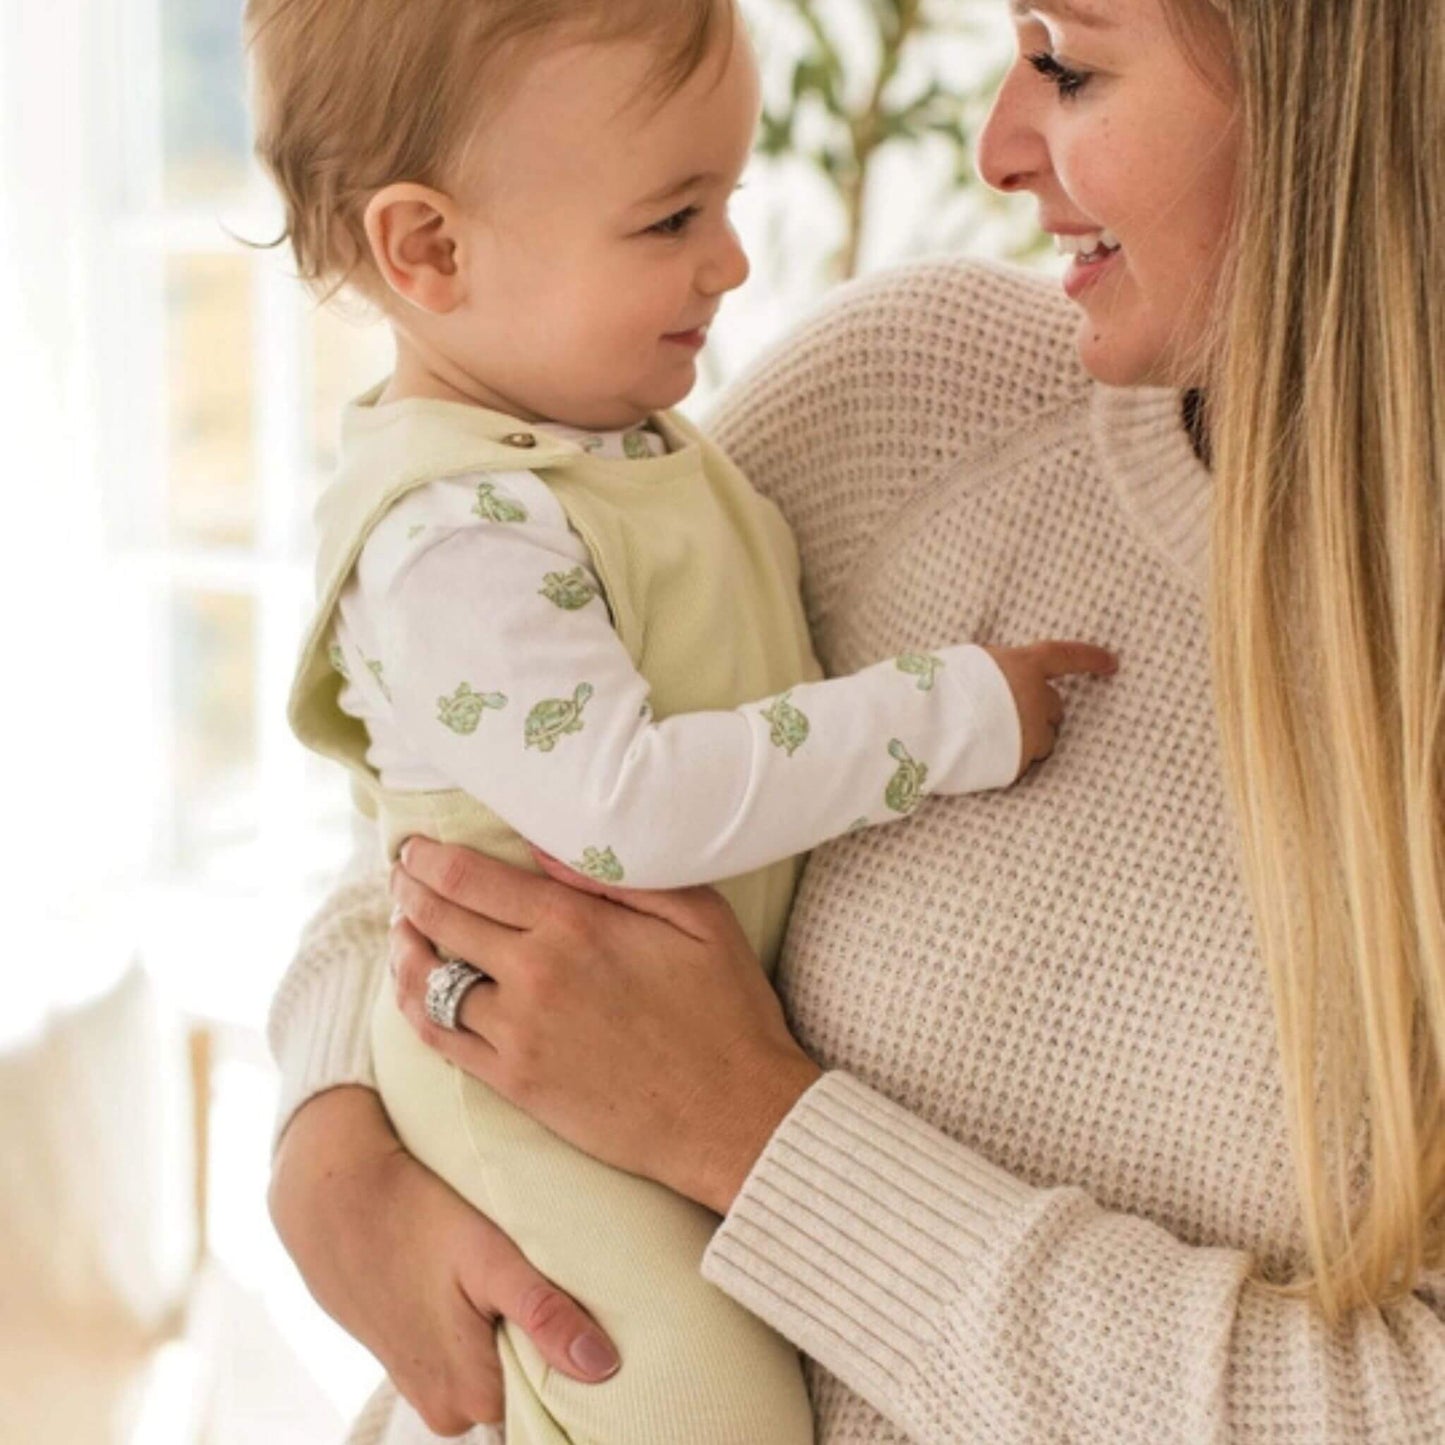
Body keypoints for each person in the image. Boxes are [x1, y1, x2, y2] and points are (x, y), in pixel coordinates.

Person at [267, 0, 1445, 1440]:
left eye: (1065, 63)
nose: (996, 143)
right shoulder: (905, 399)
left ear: (1338, 102)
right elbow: (473, 765)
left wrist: (746, 1130)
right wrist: (325, 1133)